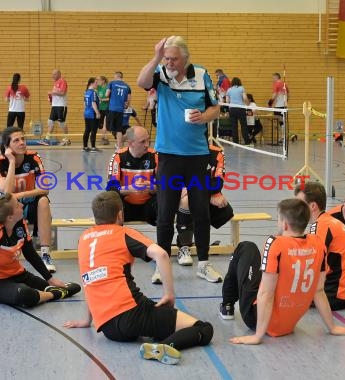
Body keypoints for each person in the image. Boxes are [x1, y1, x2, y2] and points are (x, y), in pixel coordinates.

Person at [63, 191, 214, 365]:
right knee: (203, 328)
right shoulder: (123, 233)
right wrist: (169, 294)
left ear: (95, 216)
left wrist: (87, 320)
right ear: (120, 214)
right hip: (132, 315)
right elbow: (162, 255)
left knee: (156, 318)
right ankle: (162, 346)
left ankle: (155, 335)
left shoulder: (84, 239)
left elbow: (90, 280)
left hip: (107, 327)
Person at [137, 36, 222, 283]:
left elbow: (215, 107)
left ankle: (204, 264)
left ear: (186, 58)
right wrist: (155, 57)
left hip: (197, 156)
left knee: (201, 212)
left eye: (174, 58)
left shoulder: (202, 75)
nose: (170, 62)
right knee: (165, 214)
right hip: (168, 156)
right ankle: (161, 266)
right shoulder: (160, 73)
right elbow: (141, 81)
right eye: (167, 58)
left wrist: (204, 117)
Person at [221, 199, 345, 345]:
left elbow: (265, 294)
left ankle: (227, 305)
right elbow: (319, 291)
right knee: (264, 268)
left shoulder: (275, 243)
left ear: (284, 224)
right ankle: (230, 305)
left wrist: (258, 336)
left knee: (246, 247)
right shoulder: (318, 243)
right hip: (289, 323)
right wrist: (332, 327)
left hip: (258, 319)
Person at [0, 193, 81, 309]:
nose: (21, 204)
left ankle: (49, 292)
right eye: (17, 205)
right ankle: (54, 294)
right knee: (24, 294)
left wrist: (50, 279)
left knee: (75, 287)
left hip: (20, 276)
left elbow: (30, 254)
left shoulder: (20, 224)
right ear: (10, 217)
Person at [0, 127, 57, 273]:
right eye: (16, 140)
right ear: (7, 146)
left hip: (27, 206)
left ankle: (45, 253)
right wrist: (11, 161)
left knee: (43, 201)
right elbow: (7, 193)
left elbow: (45, 188)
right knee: (4, 205)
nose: (22, 143)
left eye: (23, 139)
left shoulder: (34, 158)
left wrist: (20, 195)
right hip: (8, 210)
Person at [294, 182, 345, 310]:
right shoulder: (329, 221)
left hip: (338, 293)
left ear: (313, 206)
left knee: (286, 293)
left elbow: (315, 265)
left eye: (299, 204)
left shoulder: (320, 226)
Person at [174, 144, 234, 268]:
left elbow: (218, 182)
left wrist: (204, 195)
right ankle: (184, 247)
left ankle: (200, 244)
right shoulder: (178, 150)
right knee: (187, 201)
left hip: (205, 195)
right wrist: (206, 195)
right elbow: (174, 182)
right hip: (181, 198)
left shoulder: (217, 153)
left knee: (224, 210)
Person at [106, 126, 158, 226]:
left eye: (148, 140)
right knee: (109, 200)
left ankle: (167, 241)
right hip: (126, 207)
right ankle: (115, 239)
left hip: (149, 207)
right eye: (142, 142)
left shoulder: (155, 156)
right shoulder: (118, 157)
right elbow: (110, 189)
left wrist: (152, 187)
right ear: (130, 143)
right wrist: (130, 189)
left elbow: (165, 187)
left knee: (165, 198)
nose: (147, 145)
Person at [39, 69, 70, 146]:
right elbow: (55, 94)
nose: (53, 76)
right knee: (50, 122)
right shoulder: (55, 83)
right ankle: (47, 139)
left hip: (61, 106)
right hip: (55, 106)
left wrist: (52, 92)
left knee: (61, 123)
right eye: (52, 74)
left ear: (59, 74)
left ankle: (66, 139)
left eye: (55, 74)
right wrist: (50, 98)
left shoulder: (63, 81)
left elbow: (62, 93)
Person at [106, 71, 131, 149]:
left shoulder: (112, 83)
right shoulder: (127, 86)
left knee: (108, 127)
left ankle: (110, 140)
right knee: (118, 129)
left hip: (112, 108)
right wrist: (125, 105)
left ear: (116, 76)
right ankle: (119, 147)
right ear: (121, 77)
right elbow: (128, 101)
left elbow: (107, 94)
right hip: (120, 110)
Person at [226, 77, 249, 145]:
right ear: (239, 82)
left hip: (232, 109)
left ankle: (235, 142)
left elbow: (227, 101)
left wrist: (230, 107)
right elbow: (244, 98)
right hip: (240, 108)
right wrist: (247, 104)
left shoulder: (229, 90)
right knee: (243, 125)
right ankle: (247, 142)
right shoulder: (241, 88)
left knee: (234, 126)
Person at [83, 77, 101, 152]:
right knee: (93, 130)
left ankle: (85, 147)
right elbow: (93, 103)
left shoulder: (86, 92)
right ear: (91, 83)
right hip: (92, 113)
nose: (97, 84)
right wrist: (97, 113)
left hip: (87, 113)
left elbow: (84, 103)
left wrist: (84, 112)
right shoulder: (93, 92)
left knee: (87, 130)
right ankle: (93, 147)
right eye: (96, 83)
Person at [96, 76, 111, 145]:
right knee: (100, 125)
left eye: (98, 80)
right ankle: (103, 138)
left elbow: (109, 99)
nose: (97, 81)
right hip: (100, 108)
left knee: (105, 124)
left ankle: (105, 138)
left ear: (103, 81)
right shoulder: (99, 88)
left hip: (106, 108)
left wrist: (102, 100)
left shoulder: (107, 88)